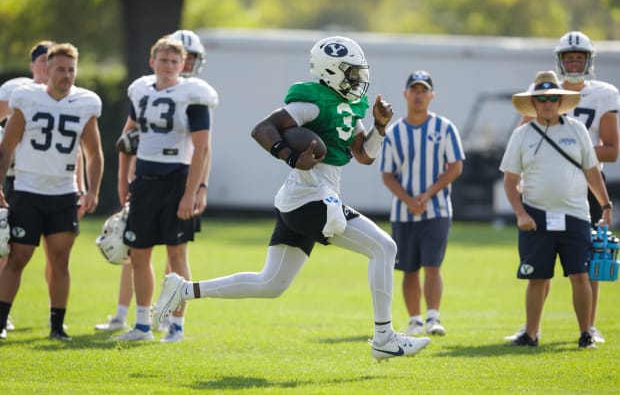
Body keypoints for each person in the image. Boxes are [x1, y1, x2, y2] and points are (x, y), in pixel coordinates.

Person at [151, 36, 432, 361]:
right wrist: (289, 155)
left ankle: (183, 289)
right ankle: (384, 337)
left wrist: (380, 128)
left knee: (270, 283)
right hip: (312, 197)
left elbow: (362, 155)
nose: (358, 80)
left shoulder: (347, 104)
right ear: (331, 72)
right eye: (351, 73)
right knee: (385, 248)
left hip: (302, 199)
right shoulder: (312, 101)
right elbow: (263, 128)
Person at [94, 29, 213, 337]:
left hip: (177, 178)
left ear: (182, 64)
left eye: (174, 60)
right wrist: (123, 179)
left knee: (176, 256)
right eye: (163, 59)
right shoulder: (141, 91)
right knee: (138, 254)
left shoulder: (195, 95)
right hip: (145, 179)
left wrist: (192, 191)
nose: (168, 65)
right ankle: (143, 324)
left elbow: (202, 148)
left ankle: (177, 324)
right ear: (152, 61)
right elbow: (127, 139)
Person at [506, 31, 620, 344]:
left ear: (588, 60)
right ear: (560, 61)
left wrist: (572, 150)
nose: (573, 62)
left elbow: (610, 150)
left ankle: (589, 327)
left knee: (584, 265)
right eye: (568, 57)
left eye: (579, 57)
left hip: (584, 188)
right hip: (541, 192)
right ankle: (532, 329)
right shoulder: (540, 91)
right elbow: (523, 140)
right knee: (540, 268)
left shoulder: (604, 94)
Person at [0, 42, 104, 340]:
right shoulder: (27, 99)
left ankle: (57, 326)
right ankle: (1, 321)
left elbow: (94, 154)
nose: (66, 75)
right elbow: (6, 148)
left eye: (71, 70)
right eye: (60, 69)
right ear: (47, 71)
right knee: (17, 258)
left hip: (63, 193)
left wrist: (92, 190)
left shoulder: (85, 103)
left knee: (60, 260)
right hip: (28, 189)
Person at [380, 70, 464, 337]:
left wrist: (427, 195)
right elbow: (387, 174)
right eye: (414, 90)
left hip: (437, 210)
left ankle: (433, 317)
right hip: (403, 213)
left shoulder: (444, 128)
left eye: (423, 90)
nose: (418, 95)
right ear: (405, 94)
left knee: (432, 265)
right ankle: (415, 320)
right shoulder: (394, 132)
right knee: (408, 268)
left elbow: (455, 166)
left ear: (431, 95)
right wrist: (408, 200)